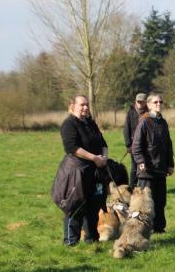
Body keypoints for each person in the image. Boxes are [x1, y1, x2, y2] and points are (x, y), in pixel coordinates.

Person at [57, 95, 108, 246]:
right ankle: (71, 242)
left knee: (93, 206)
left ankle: (91, 240)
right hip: (77, 172)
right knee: (75, 206)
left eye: (87, 105)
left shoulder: (91, 123)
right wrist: (94, 158)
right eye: (82, 105)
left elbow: (103, 142)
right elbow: (71, 147)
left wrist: (104, 158)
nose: (85, 108)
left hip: (95, 171)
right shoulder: (69, 124)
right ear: (72, 105)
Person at [131, 93, 174, 234]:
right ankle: (142, 229)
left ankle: (159, 228)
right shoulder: (144, 121)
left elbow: (168, 145)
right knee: (145, 202)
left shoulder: (163, 122)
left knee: (160, 201)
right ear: (148, 105)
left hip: (161, 168)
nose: (159, 104)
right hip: (147, 170)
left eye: (161, 102)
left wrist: (170, 164)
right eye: (155, 102)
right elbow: (136, 146)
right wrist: (141, 162)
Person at [123, 92, 147, 187]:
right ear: (135, 102)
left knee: (145, 165)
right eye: (138, 102)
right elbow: (126, 129)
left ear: (145, 102)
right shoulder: (131, 112)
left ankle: (143, 185)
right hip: (134, 145)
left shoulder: (149, 113)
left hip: (146, 145)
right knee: (134, 166)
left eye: (142, 102)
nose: (140, 104)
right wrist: (128, 145)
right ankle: (132, 186)